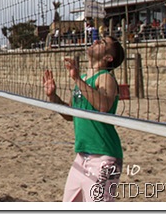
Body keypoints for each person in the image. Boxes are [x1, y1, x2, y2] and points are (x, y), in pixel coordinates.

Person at [42, 36, 125, 202]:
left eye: (102, 42)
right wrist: (53, 97)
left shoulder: (105, 77)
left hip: (104, 156)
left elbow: (103, 106)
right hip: (82, 157)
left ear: (108, 58)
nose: (95, 41)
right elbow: (70, 115)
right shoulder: (85, 79)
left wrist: (77, 79)